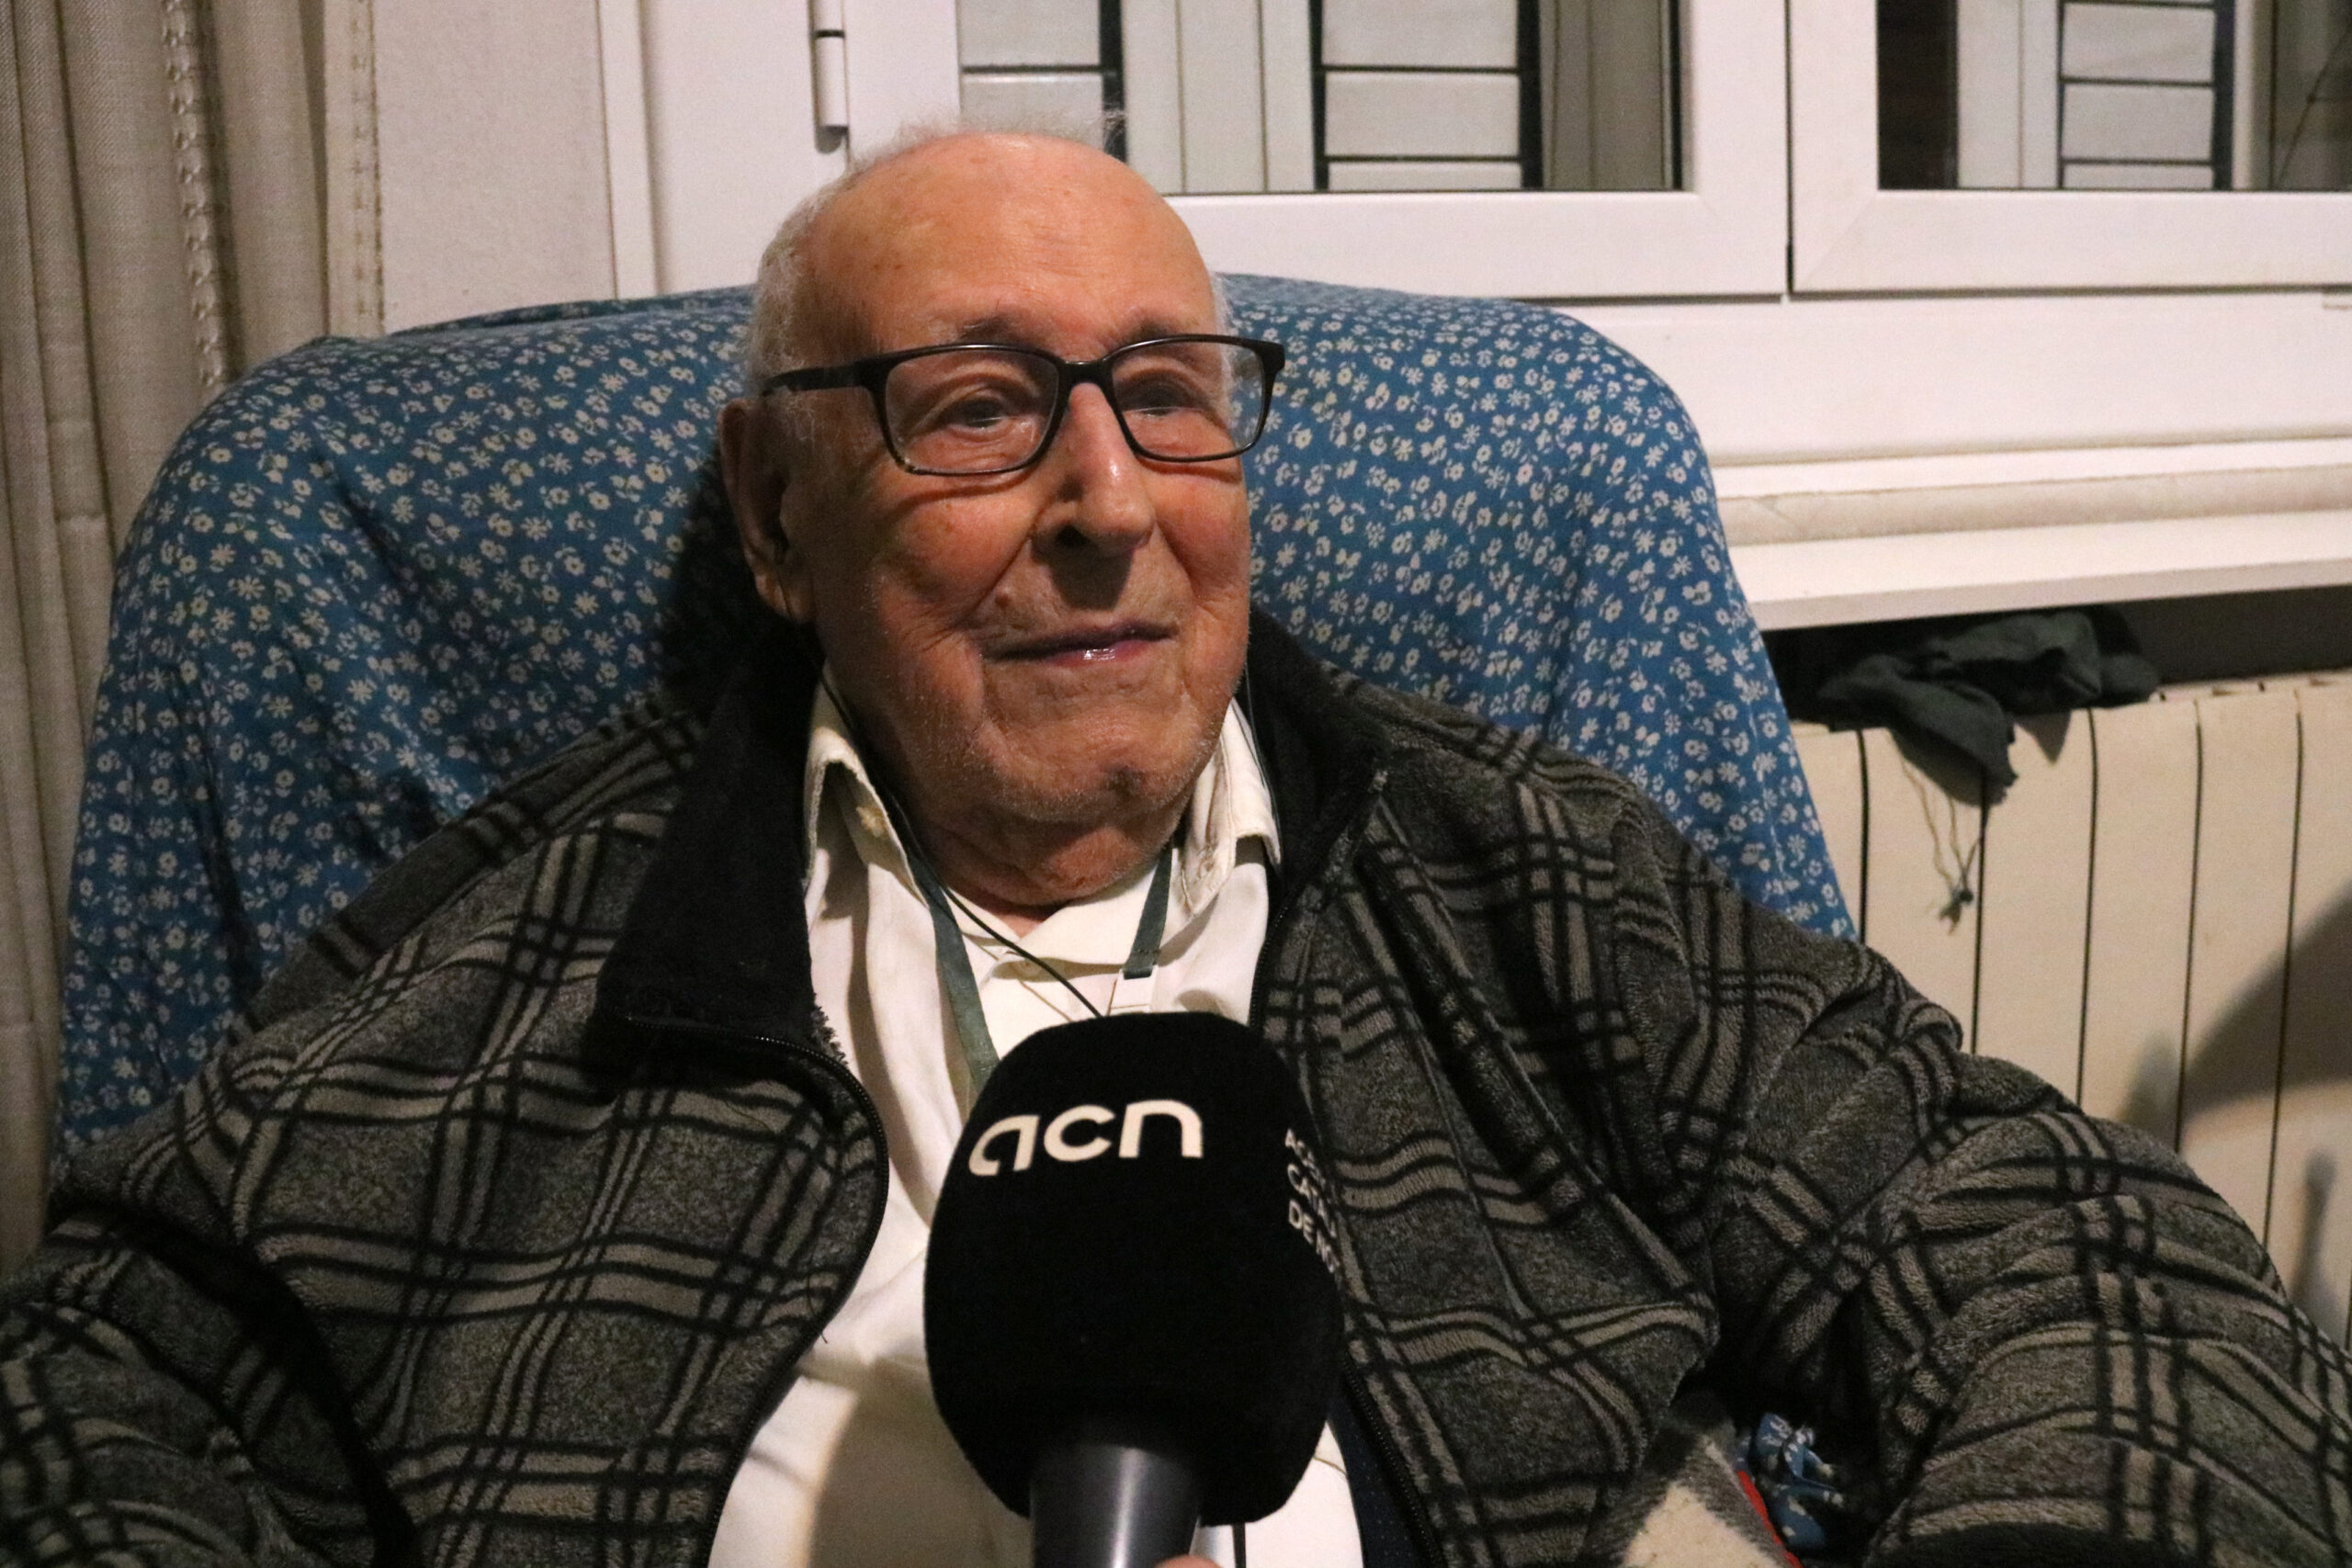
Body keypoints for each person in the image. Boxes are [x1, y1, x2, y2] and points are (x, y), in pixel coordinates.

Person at [3, 128, 2348, 1568]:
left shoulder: (1510, 867)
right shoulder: (527, 946)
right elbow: (101, 1382)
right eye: (974, 407)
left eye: (1163, 396)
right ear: (775, 515)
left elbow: (2034, 1221)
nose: (1106, 501)